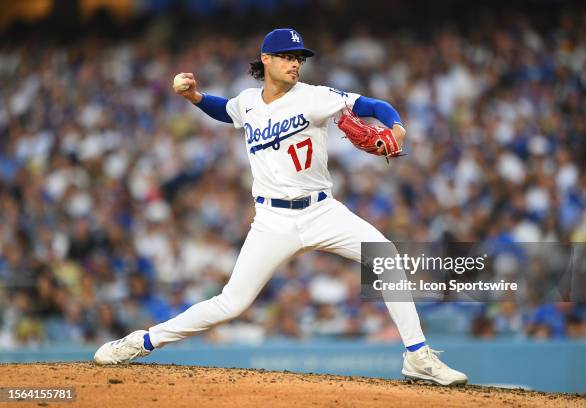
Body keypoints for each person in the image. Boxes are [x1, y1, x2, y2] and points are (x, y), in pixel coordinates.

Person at [93, 28, 468, 386]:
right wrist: (195, 97)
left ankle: (418, 356)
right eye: (287, 57)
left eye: (299, 58)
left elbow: (375, 105)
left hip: (322, 211)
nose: (295, 63)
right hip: (272, 219)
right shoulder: (247, 102)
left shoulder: (315, 96)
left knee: (386, 257)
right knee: (231, 303)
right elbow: (228, 110)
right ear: (266, 59)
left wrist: (397, 127)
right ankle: (142, 342)